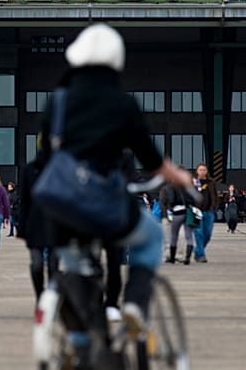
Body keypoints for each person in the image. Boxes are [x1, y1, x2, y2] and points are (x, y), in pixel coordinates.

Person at [38, 24, 192, 335]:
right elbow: (150, 160)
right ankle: (133, 303)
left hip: (59, 209)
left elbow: (45, 155)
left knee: (79, 274)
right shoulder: (123, 103)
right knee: (150, 237)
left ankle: (80, 348)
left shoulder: (58, 101)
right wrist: (177, 175)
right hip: (101, 205)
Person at [17, 151, 59, 302]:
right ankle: (40, 296)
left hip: (56, 223)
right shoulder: (28, 170)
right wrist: (21, 228)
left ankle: (52, 298)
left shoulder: (60, 168)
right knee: (37, 264)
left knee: (54, 265)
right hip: (35, 224)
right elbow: (24, 201)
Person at [161, 174, 196, 265]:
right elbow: (195, 200)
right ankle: (185, 257)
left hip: (175, 214)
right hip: (186, 213)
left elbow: (164, 203)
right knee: (187, 236)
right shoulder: (187, 188)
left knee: (173, 236)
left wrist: (167, 213)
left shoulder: (168, 188)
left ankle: (172, 257)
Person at [192, 163, 218, 263]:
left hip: (208, 211)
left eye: (204, 170)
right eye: (200, 170)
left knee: (207, 234)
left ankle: (197, 251)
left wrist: (214, 207)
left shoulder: (211, 182)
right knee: (199, 233)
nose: (202, 172)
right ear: (197, 171)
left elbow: (215, 196)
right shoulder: (193, 182)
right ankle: (202, 255)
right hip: (196, 211)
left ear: (207, 171)